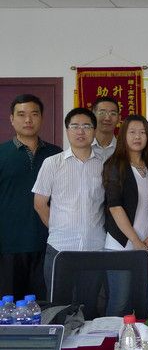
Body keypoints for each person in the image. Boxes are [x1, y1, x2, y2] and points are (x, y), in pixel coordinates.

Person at [32, 108, 105, 315]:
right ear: (67, 130)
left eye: (86, 126)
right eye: (75, 126)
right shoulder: (52, 163)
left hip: (94, 247)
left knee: (89, 307)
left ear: (94, 130)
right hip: (60, 248)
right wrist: (58, 228)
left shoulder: (104, 163)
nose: (80, 131)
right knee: (58, 308)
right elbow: (40, 203)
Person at [0, 94, 61, 300]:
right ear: (11, 119)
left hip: (48, 244)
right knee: (9, 309)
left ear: (41, 118)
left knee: (46, 307)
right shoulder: (2, 154)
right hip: (8, 246)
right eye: (21, 114)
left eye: (34, 114)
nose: (28, 120)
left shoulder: (56, 155)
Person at [103, 115, 148, 316]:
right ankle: (110, 335)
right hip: (121, 245)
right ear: (123, 135)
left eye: (142, 132)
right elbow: (115, 207)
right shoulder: (115, 165)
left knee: (142, 300)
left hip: (147, 244)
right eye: (132, 132)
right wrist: (136, 241)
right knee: (120, 301)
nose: (137, 137)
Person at [91, 96, 119, 162]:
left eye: (113, 113)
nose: (107, 118)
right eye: (102, 113)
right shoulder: (82, 147)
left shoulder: (124, 149)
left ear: (119, 118)